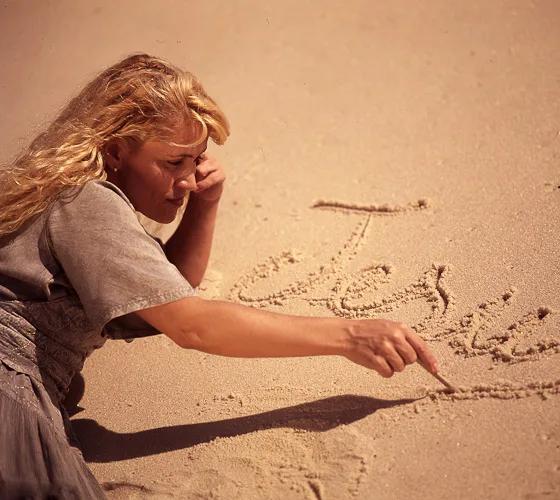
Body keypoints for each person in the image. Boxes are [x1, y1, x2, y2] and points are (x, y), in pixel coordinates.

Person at [0, 53, 439, 498]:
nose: (189, 179)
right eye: (174, 163)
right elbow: (191, 323)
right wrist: (349, 336)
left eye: (197, 159)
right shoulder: (88, 202)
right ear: (116, 152)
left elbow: (164, 292)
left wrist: (204, 206)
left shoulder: (71, 197)